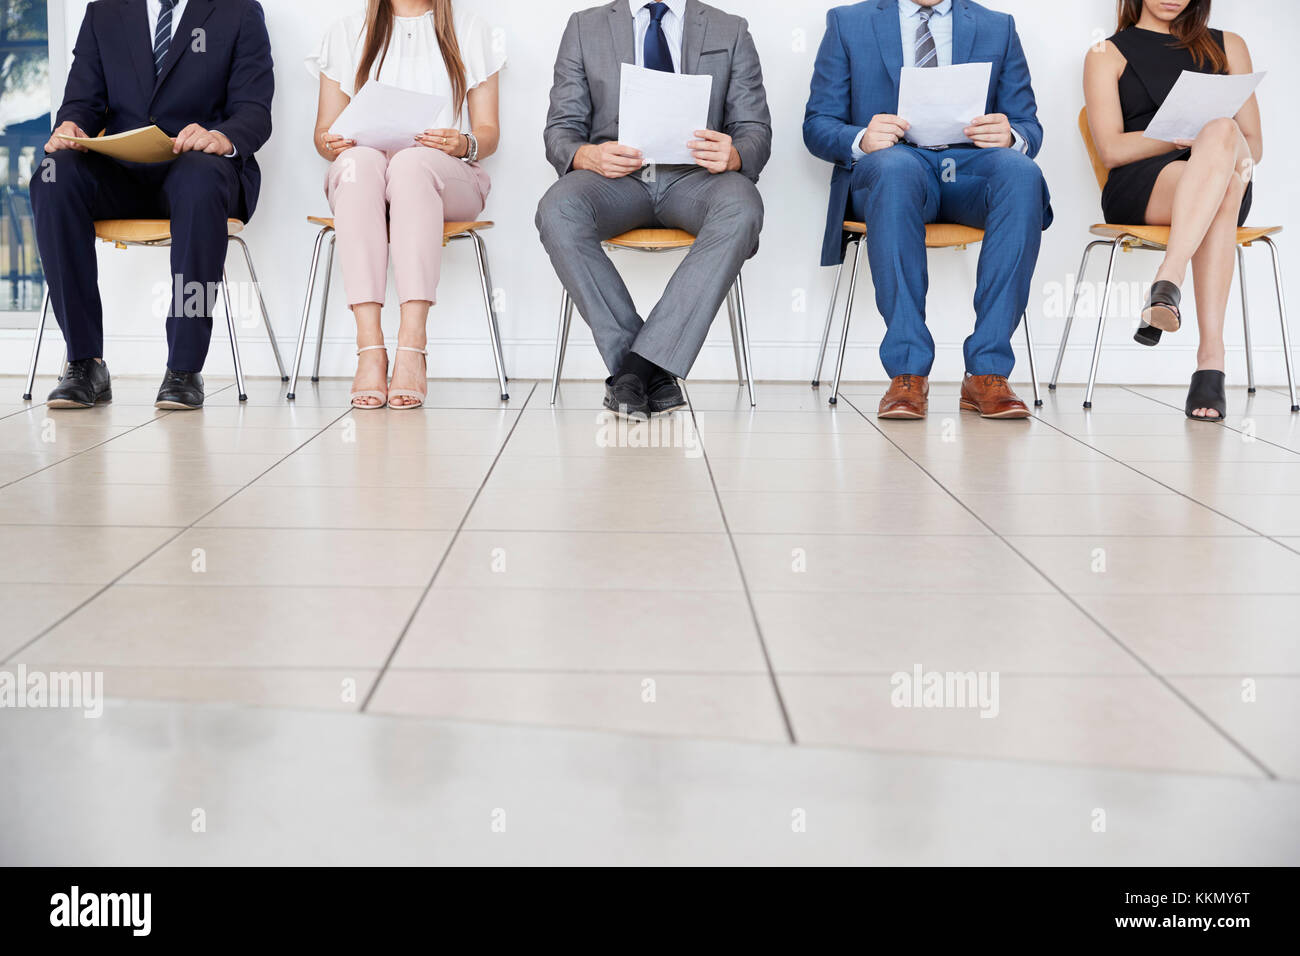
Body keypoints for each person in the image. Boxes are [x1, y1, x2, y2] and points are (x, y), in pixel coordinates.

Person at [803, 0, 1052, 420]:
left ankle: (987, 371)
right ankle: (908, 373)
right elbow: (817, 124)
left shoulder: (998, 27)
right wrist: (861, 136)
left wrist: (1011, 135)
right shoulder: (848, 23)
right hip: (893, 170)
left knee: (1021, 173)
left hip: (969, 170)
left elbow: (1029, 125)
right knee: (895, 167)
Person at [31, 0, 274, 410]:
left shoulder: (239, 11)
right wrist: (71, 125)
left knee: (199, 177)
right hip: (121, 173)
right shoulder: (104, 12)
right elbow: (82, 103)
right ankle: (84, 362)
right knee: (54, 176)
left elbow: (254, 109)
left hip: (198, 171)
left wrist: (222, 136)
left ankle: (184, 368)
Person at [536, 0, 771, 420]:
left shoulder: (729, 29)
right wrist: (588, 155)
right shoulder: (584, 26)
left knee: (742, 206)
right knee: (558, 208)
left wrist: (734, 154)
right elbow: (561, 129)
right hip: (615, 179)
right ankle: (651, 368)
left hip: (697, 179)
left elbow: (754, 130)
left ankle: (635, 370)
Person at [309, 0, 503, 410]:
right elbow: (323, 133)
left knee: (411, 164)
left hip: (447, 178)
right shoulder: (346, 32)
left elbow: (487, 132)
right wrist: (333, 141)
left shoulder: (471, 31)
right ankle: (370, 348)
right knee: (359, 162)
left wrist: (464, 143)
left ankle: (413, 346)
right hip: (366, 180)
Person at [1084, 0, 1259, 421]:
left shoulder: (1229, 46)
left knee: (1225, 143)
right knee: (1222, 174)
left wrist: (1211, 139)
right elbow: (1111, 149)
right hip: (1145, 184)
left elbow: (1252, 145)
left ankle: (1167, 281)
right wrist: (1189, 134)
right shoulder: (1104, 53)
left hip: (1223, 172)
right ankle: (1210, 364)